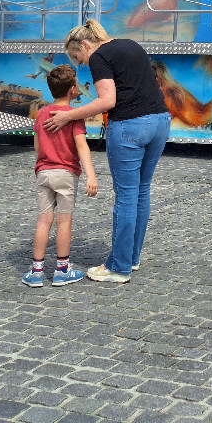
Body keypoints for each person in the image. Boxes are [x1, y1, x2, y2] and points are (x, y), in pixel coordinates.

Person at [45, 20, 170, 283]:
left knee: (126, 196)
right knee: (141, 191)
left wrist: (68, 116)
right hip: (160, 122)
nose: (79, 63)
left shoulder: (99, 56)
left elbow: (107, 101)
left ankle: (118, 267)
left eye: (76, 56)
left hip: (130, 126)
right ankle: (132, 257)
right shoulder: (130, 45)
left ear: (85, 44)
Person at [24, 63, 98, 288]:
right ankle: (62, 270)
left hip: (44, 172)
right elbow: (82, 147)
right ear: (73, 90)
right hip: (66, 174)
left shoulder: (42, 113)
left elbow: (37, 146)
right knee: (64, 221)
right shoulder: (74, 116)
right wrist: (91, 175)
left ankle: (36, 272)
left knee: (43, 220)